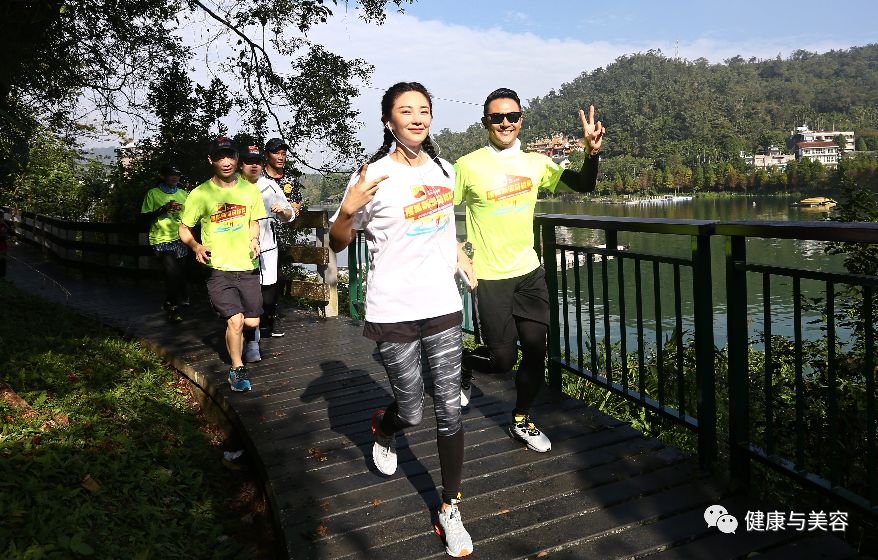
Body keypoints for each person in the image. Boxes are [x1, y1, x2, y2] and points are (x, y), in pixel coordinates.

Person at [328, 82, 476, 558]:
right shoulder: (372, 175)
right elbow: (337, 242)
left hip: (442, 304)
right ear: (388, 120)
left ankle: (450, 506)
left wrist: (458, 255)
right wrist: (348, 210)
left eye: (424, 110)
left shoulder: (443, 170)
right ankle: (385, 428)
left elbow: (443, 227)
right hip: (393, 308)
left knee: (449, 407)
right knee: (411, 409)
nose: (416, 118)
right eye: (406, 111)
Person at [454, 87, 604, 453]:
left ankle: (521, 419)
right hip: (489, 276)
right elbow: (439, 213)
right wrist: (457, 251)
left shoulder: (536, 163)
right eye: (497, 117)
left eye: (512, 116)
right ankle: (464, 363)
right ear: (486, 122)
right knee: (502, 360)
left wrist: (592, 153)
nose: (505, 123)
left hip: (529, 273)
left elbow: (583, 184)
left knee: (537, 351)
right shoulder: (467, 166)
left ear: (521, 120)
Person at [178, 136, 266, 392]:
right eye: (220, 157)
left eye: (230, 156)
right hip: (218, 269)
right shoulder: (200, 194)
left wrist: (254, 239)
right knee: (235, 321)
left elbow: (254, 221)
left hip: (247, 265)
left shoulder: (249, 190)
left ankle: (237, 340)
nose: (226, 162)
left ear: (236, 159)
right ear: (211, 160)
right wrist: (196, 246)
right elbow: (184, 228)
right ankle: (237, 369)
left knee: (252, 322)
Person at [238, 144, 296, 363]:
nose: (253, 166)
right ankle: (252, 342)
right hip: (241, 251)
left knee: (268, 297)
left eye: (257, 162)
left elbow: (290, 214)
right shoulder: (231, 187)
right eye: (248, 162)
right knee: (248, 297)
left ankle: (259, 329)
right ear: (241, 165)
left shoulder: (270, 186)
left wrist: (283, 212)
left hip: (268, 249)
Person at [140, 163, 189, 322]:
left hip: (180, 238)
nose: (175, 177)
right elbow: (143, 217)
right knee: (171, 272)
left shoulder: (183, 194)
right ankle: (173, 308)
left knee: (179, 273)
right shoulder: (153, 194)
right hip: (161, 239)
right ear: (162, 176)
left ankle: (173, 298)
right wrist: (163, 209)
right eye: (171, 174)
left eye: (177, 175)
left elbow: (191, 215)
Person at [264, 137, 303, 214]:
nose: (280, 158)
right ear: (267, 155)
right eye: (276, 153)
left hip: (285, 219)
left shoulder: (291, 179)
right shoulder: (258, 177)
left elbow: (297, 202)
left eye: (283, 154)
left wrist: (293, 209)